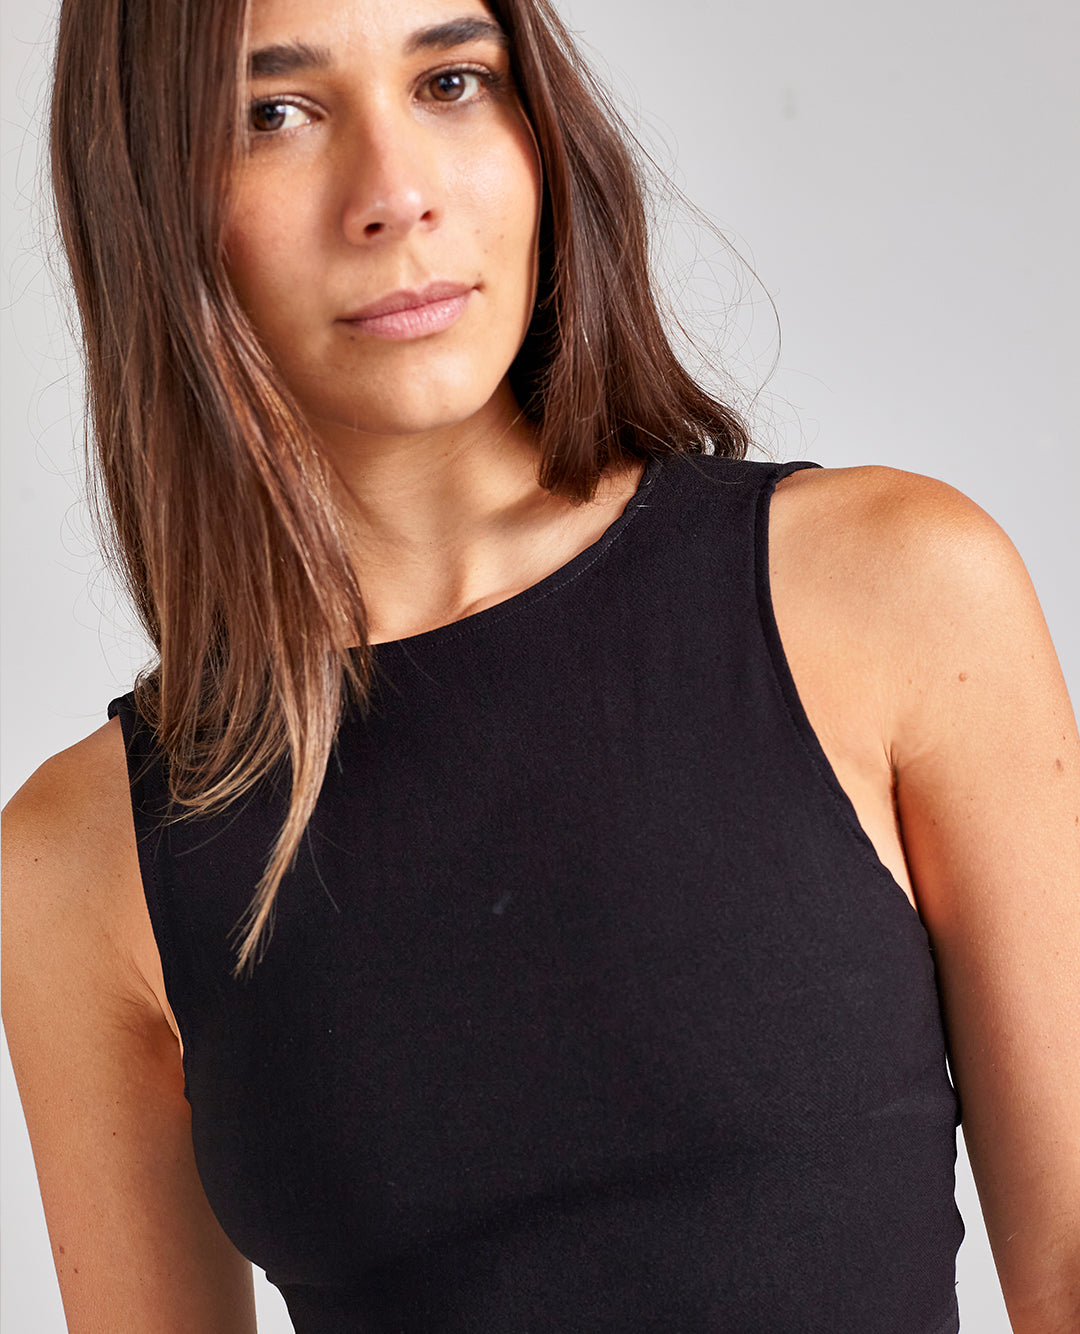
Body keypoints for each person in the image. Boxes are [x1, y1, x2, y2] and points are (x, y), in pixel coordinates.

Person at [2, 0, 1077, 1329]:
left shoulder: (891, 594)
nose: (396, 195)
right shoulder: (84, 860)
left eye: (452, 81)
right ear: (144, 195)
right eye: (273, 115)